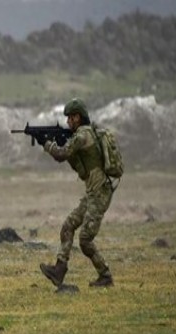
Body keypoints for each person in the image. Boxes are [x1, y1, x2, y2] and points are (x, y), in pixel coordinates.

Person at [39, 98, 114, 288]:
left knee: (85, 240)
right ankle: (59, 270)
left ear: (78, 117)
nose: (67, 122)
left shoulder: (83, 135)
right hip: (92, 193)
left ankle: (105, 276)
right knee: (68, 226)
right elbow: (65, 156)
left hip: (100, 193)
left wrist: (46, 144)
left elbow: (61, 154)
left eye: (70, 118)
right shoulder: (81, 135)